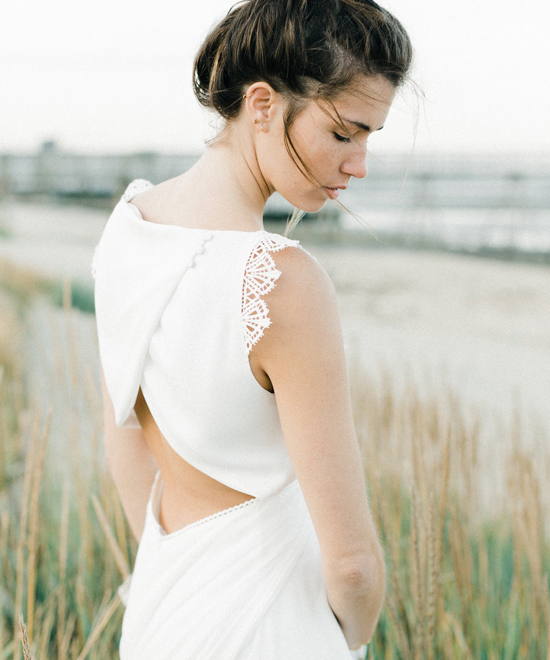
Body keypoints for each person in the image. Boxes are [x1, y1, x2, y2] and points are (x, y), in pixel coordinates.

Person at [91, 0, 412, 658]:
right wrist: (342, 643)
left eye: (370, 138)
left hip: (164, 610)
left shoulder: (127, 229)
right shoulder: (282, 282)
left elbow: (121, 434)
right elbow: (353, 565)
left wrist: (169, 574)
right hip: (277, 628)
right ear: (262, 104)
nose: (359, 165)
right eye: (346, 132)